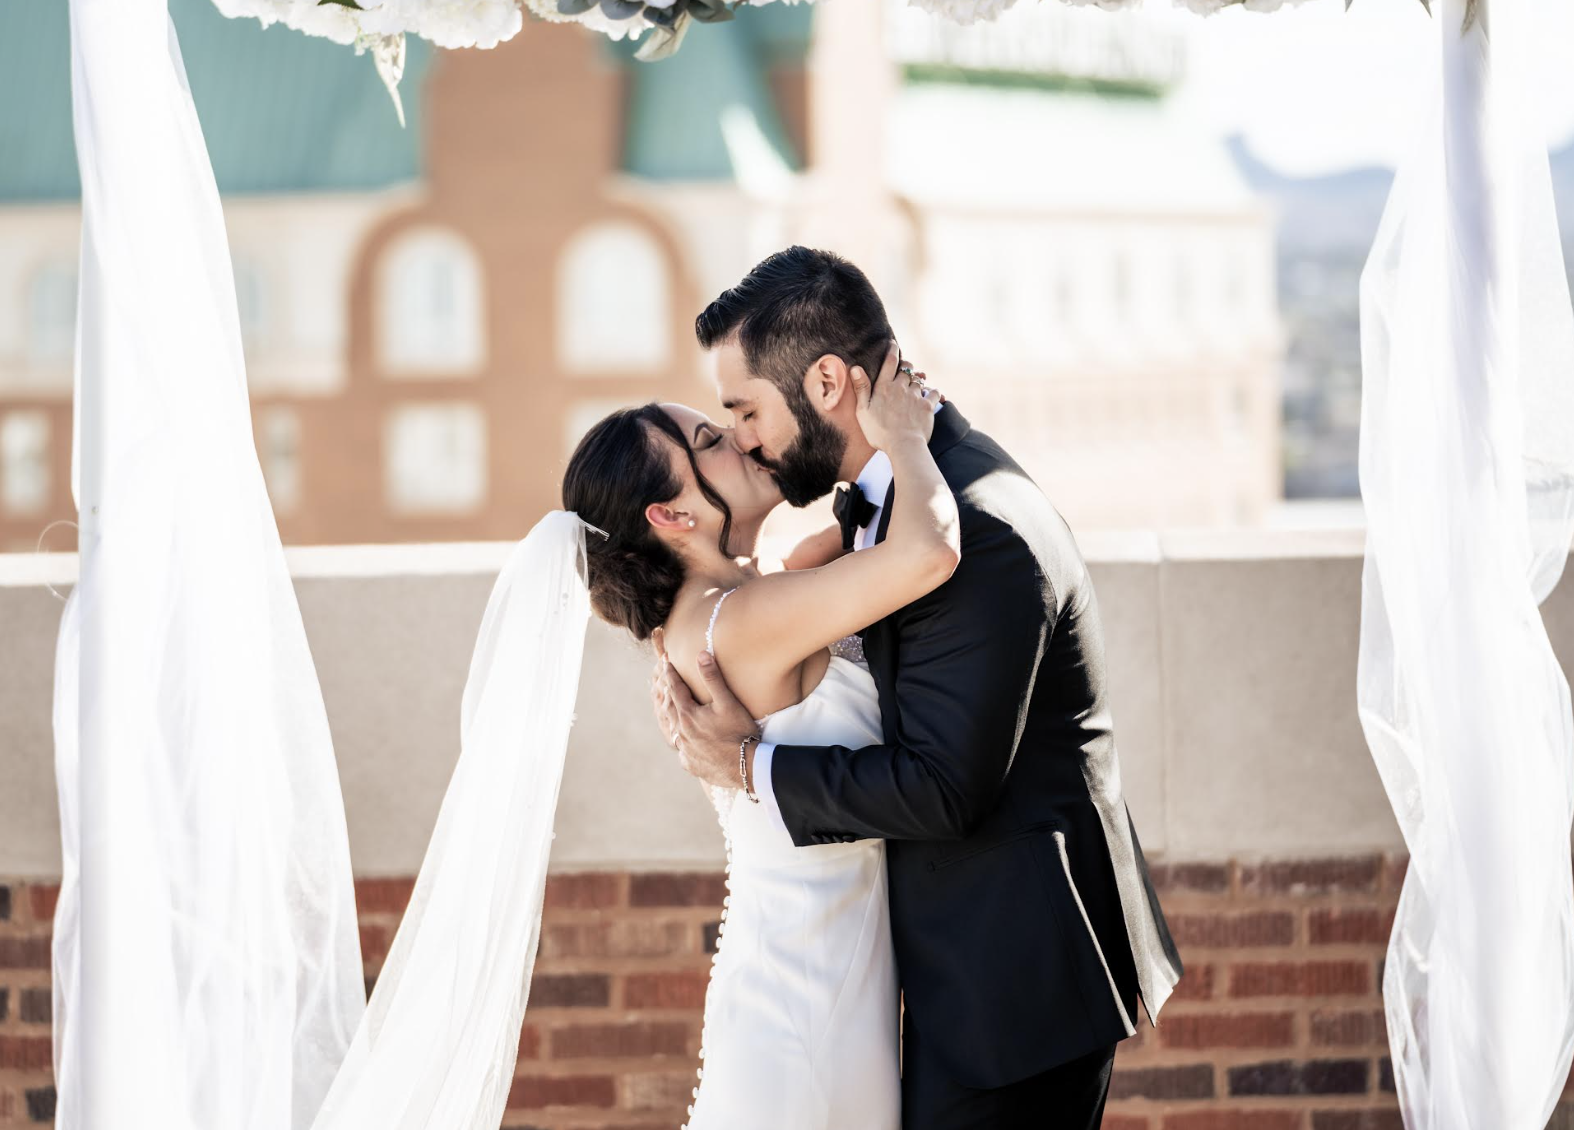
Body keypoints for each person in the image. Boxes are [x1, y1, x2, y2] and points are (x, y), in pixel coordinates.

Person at [655, 246, 1183, 1130]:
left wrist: (754, 769)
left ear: (828, 382)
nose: (742, 437)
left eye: (744, 410)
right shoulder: (890, 499)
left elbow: (944, 787)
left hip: (1011, 981)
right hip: (944, 970)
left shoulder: (977, 528)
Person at [562, 340, 951, 1129]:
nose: (739, 440)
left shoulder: (736, 602)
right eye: (709, 443)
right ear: (672, 516)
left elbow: (831, 559)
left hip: (816, 983)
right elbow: (928, 551)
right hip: (808, 1011)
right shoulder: (734, 623)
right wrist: (905, 436)